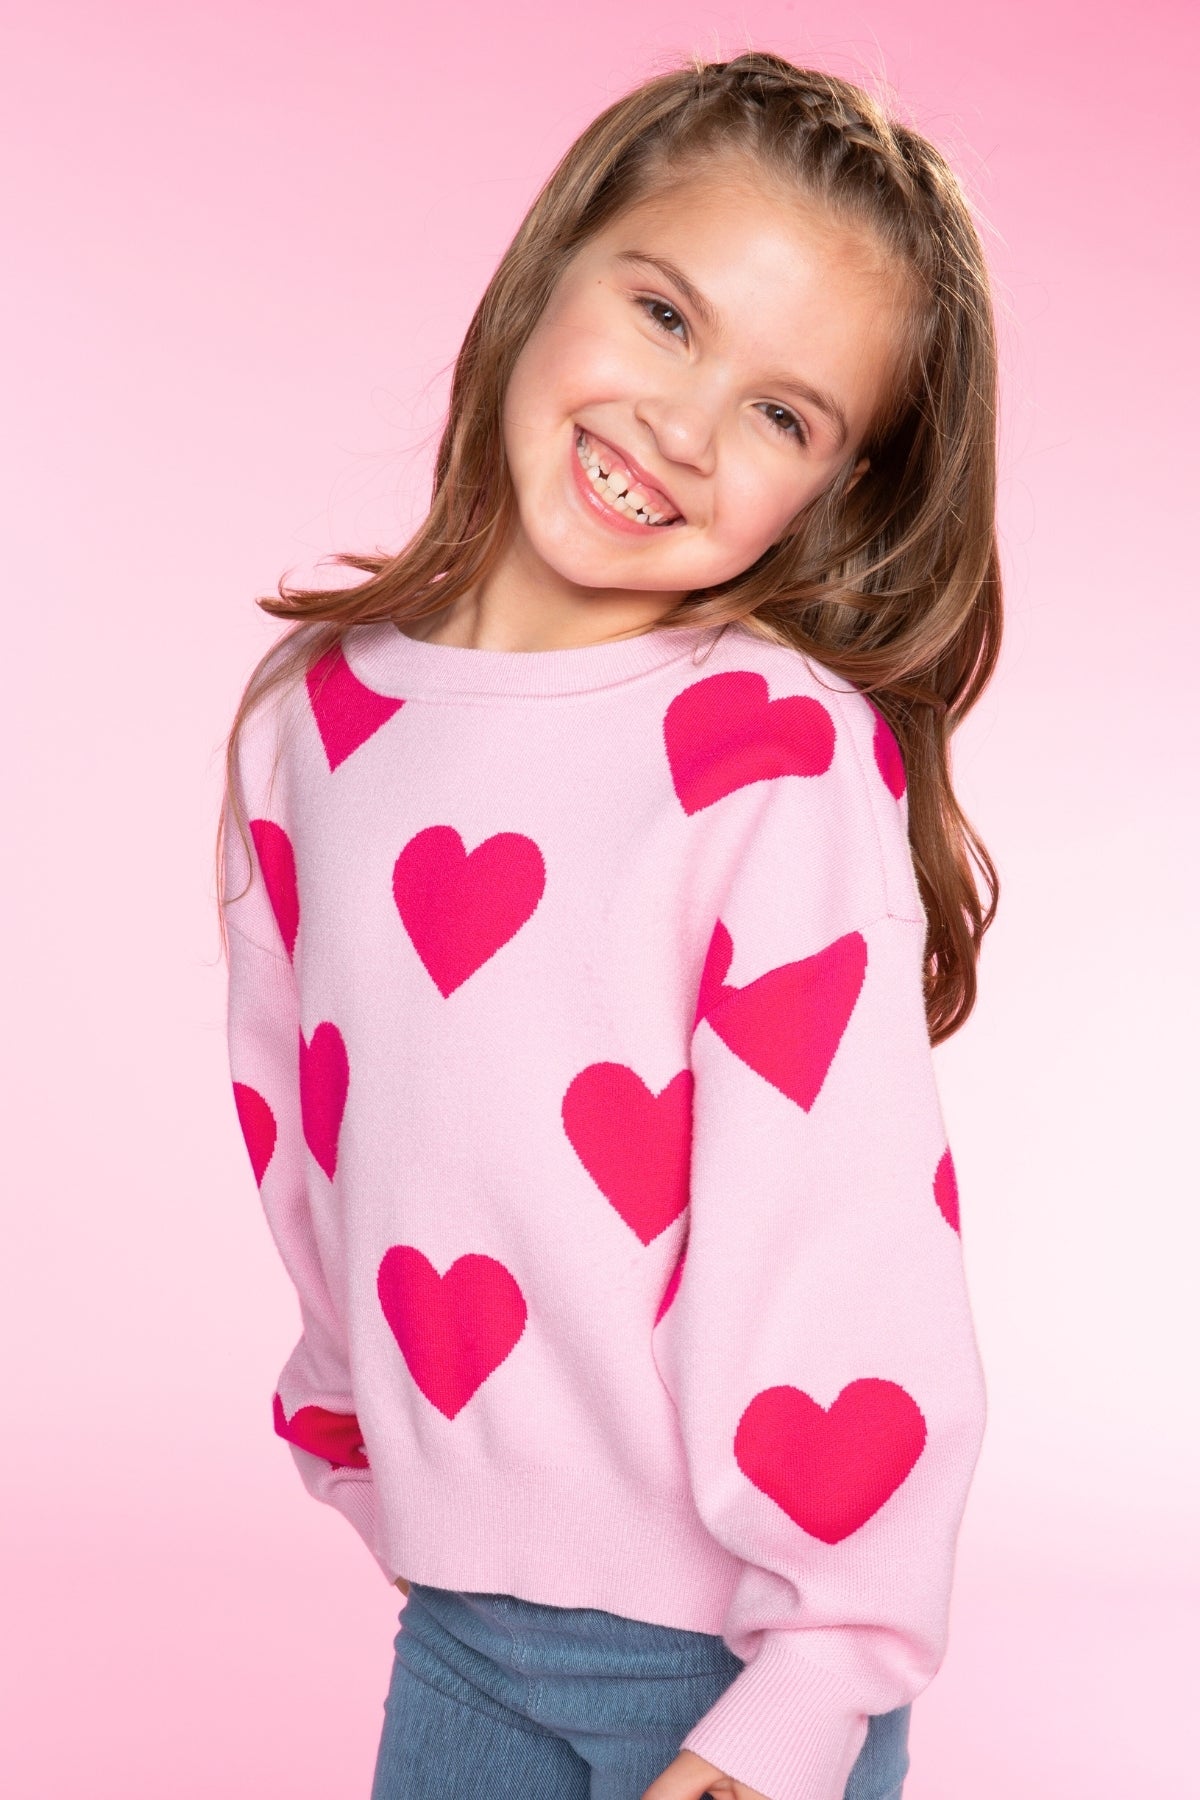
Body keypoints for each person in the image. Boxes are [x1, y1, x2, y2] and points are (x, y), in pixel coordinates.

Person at [217, 49, 1001, 1800]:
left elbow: (842, 1233)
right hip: (460, 1630)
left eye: (784, 415)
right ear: (551, 261)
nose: (684, 428)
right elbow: (307, 1123)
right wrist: (371, 1449)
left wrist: (823, 1674)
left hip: (738, 1673)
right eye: (664, 316)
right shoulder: (313, 720)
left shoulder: (773, 751)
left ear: (834, 490)